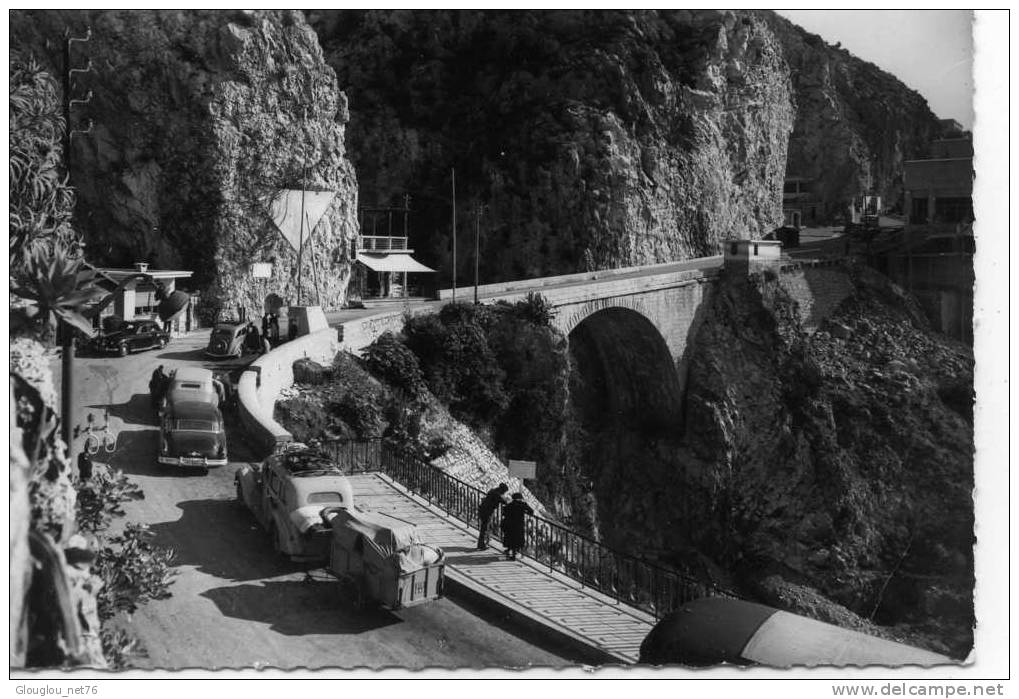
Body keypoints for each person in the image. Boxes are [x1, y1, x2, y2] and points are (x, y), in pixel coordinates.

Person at [501, 492, 534, 561]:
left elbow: (504, 513)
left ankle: (511, 552)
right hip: (519, 524)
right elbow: (531, 511)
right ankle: (516, 553)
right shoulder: (522, 504)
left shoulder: (510, 505)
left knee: (511, 539)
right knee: (518, 539)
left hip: (510, 524)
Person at [476, 482, 509, 550]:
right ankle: (481, 545)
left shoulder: (492, 491)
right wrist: (506, 498)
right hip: (487, 512)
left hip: (482, 509)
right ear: (503, 490)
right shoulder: (497, 494)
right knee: (484, 528)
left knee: (485, 527)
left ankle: (484, 542)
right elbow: (504, 501)